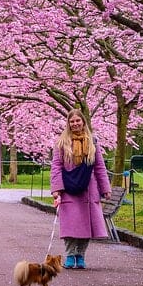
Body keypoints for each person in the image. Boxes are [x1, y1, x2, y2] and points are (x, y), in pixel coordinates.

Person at [50, 108, 111, 269]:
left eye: (78, 120)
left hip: (88, 190)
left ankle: (81, 255)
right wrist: (56, 189)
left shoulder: (93, 142)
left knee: (86, 225)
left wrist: (105, 188)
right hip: (69, 188)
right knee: (71, 225)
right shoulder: (61, 143)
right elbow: (56, 167)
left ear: (83, 122)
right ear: (68, 124)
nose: (75, 124)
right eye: (72, 121)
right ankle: (70, 255)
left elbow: (99, 167)